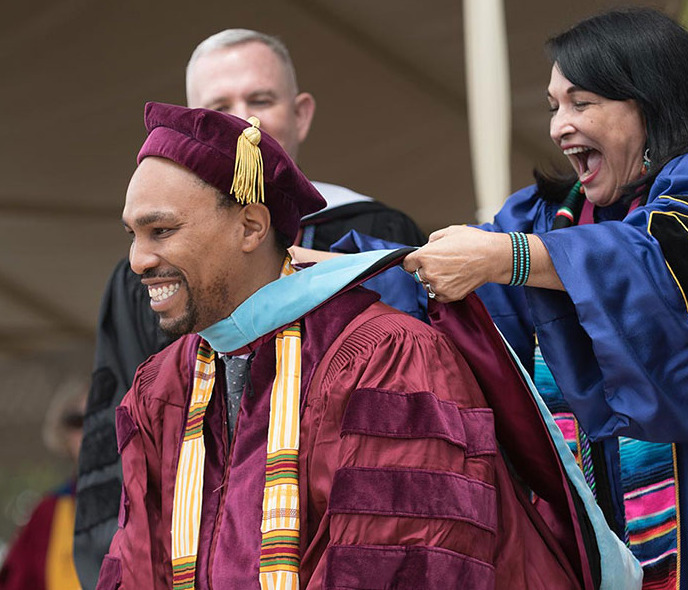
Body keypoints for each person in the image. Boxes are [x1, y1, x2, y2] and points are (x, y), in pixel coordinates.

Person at [335, 7, 688, 588]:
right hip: (602, 538)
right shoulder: (548, 216)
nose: (560, 126)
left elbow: (671, 275)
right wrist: (315, 270)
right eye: (554, 107)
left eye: (581, 103)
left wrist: (508, 258)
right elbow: (440, 297)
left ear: (652, 102)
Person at [99, 102, 636, 589]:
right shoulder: (161, 388)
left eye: (161, 232)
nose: (139, 261)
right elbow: (136, 567)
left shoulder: (388, 362)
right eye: (132, 235)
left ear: (251, 226)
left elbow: (408, 567)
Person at [73, 30, 426, 587]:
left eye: (260, 101)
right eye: (219, 108)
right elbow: (129, 473)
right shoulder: (140, 288)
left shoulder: (375, 239)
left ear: (300, 113)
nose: (245, 125)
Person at [0, 379, 88, 590]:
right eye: (76, 421)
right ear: (63, 434)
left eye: (98, 416)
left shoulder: (143, 498)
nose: (88, 429)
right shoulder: (48, 513)